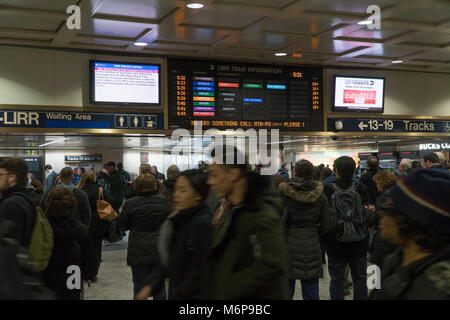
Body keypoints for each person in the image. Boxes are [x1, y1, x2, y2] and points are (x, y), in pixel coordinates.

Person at [202, 146, 288, 299]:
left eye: (214, 174)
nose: (210, 181)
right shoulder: (234, 209)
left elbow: (270, 265)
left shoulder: (260, 213)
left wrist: (226, 289)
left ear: (234, 174)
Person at [369, 169, 450, 300]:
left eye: (389, 209)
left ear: (411, 219)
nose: (382, 214)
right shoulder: (396, 259)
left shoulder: (435, 288)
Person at [135, 169, 212, 300]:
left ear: (198, 195)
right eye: (176, 190)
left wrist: (180, 294)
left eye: (183, 191)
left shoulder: (202, 224)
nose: (176, 195)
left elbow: (200, 271)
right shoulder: (178, 219)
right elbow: (168, 259)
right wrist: (151, 286)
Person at [278, 159, 332, 300]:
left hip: (287, 244)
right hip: (311, 245)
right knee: (311, 291)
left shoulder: (283, 192)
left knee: (285, 291)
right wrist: (314, 232)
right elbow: (327, 223)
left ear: (294, 172)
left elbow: (276, 220)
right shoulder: (319, 194)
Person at [323, 156, 372, 300]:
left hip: (335, 242)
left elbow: (324, 215)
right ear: (354, 170)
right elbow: (367, 211)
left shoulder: (328, 188)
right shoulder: (360, 187)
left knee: (337, 280)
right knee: (360, 279)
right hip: (359, 241)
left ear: (336, 170)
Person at [41, 187, 97, 300]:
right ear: (72, 207)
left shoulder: (41, 228)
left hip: (46, 281)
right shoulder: (80, 230)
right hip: (72, 280)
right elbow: (91, 259)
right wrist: (87, 275)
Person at [120, 173, 169, 299]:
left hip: (138, 249)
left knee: (139, 284)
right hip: (159, 248)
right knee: (159, 285)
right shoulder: (163, 201)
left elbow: (124, 225)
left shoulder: (130, 203)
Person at [77, 170, 112, 281]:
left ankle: (82, 272)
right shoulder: (99, 190)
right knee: (96, 249)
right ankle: (93, 274)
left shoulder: (79, 190)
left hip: (82, 223)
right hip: (98, 223)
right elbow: (111, 201)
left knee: (82, 249)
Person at [0, 158, 41, 248]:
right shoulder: (29, 196)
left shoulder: (11, 204)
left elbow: (7, 246)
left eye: (0, 175)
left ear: (11, 178)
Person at [369, 170, 399, 269]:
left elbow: (379, 218)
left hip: (385, 239)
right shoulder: (399, 192)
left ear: (382, 182)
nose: (376, 186)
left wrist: (370, 214)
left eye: (377, 183)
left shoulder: (383, 197)